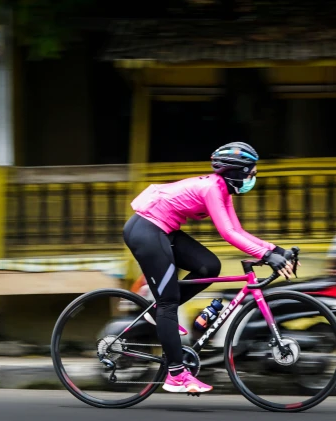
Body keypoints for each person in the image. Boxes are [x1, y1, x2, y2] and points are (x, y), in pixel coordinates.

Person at [123, 142, 294, 394]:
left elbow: (238, 230)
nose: (253, 176)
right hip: (146, 230)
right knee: (169, 302)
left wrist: (275, 250)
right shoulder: (212, 188)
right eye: (250, 171)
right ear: (235, 171)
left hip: (164, 229)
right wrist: (267, 255)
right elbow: (227, 233)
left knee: (209, 266)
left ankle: (158, 312)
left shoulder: (222, 191)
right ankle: (176, 375)